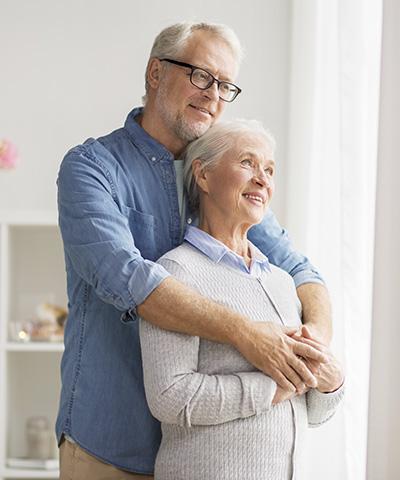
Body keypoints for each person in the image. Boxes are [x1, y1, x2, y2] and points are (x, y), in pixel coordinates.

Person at [56, 21, 333, 479]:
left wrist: (314, 347)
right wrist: (248, 334)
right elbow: (132, 282)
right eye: (201, 75)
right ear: (155, 73)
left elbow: (301, 272)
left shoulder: (220, 177)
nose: (213, 95)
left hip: (198, 453)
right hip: (108, 440)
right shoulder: (91, 168)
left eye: (225, 85)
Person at [139, 119, 344, 480]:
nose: (263, 179)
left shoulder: (282, 283)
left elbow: (310, 411)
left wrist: (332, 384)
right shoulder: (176, 273)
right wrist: (270, 388)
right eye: (248, 163)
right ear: (202, 176)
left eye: (269, 169)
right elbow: (169, 395)